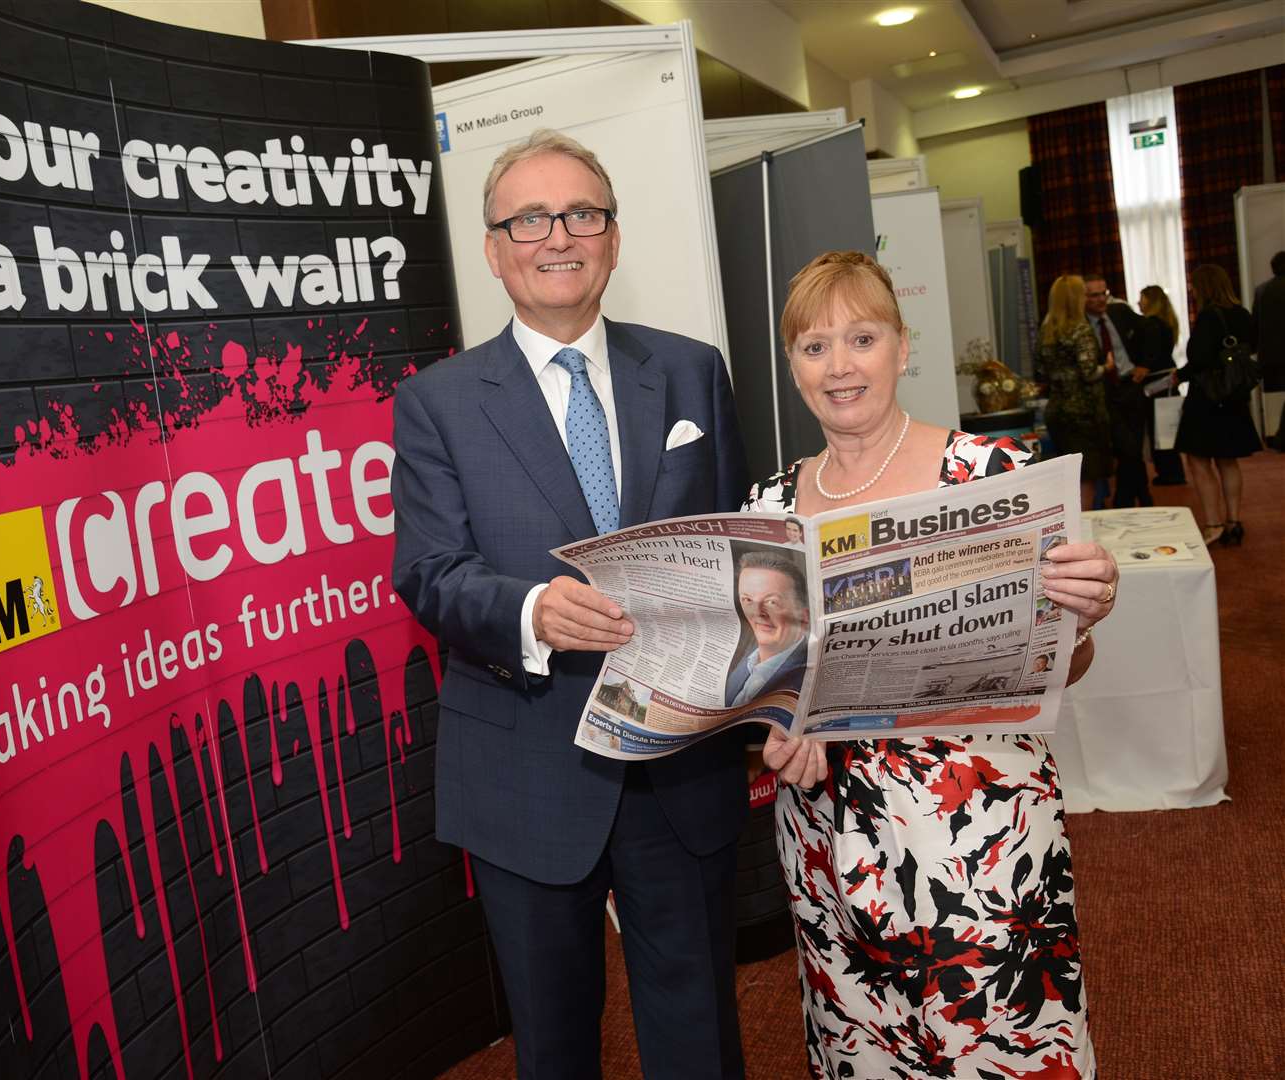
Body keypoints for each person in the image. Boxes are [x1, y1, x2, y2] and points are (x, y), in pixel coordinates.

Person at [391, 129, 752, 1079]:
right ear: (495, 248)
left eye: (582, 213)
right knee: (552, 1044)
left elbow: (742, 556)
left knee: (700, 1030)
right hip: (525, 767)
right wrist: (530, 614)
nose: (559, 236)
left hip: (678, 760)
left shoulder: (690, 371)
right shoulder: (438, 402)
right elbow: (428, 571)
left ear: (614, 237)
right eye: (530, 218)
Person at [746, 251, 1119, 1079]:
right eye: (814, 347)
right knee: (864, 1055)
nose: (839, 366)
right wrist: (774, 731)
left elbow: (1068, 665)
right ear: (792, 366)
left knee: (1000, 1047)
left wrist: (1082, 615)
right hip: (828, 839)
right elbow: (764, 683)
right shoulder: (766, 511)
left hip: (980, 839)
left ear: (903, 347)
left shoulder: (993, 476)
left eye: (862, 338)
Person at [1175, 264, 1259, 545]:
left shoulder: (1209, 317)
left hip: (1207, 400)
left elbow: (1199, 358)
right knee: (1228, 461)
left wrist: (1178, 376)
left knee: (1199, 461)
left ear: (1204, 287)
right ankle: (1234, 521)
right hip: (1234, 398)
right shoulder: (1243, 314)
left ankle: (1214, 524)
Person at [1036, 274, 1112, 509]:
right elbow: (1089, 372)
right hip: (1083, 413)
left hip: (1057, 412)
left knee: (1069, 477)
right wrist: (1107, 366)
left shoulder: (1046, 332)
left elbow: (1041, 372)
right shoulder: (1080, 330)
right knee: (1086, 478)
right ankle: (1082, 529)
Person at [1084, 273, 1154, 507]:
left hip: (1130, 387)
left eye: (1103, 294)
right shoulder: (1080, 326)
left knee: (1133, 447)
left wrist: (1145, 363)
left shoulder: (1120, 312)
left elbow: (1153, 330)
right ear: (1082, 297)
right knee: (1127, 449)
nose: (1100, 299)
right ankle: (1138, 497)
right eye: (1093, 295)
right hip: (1104, 393)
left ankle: (1132, 499)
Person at [725, 549, 809, 707]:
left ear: (803, 616)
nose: (757, 613)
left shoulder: (808, 679)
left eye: (772, 602)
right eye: (748, 599)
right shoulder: (747, 661)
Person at [1137, 284, 1186, 484]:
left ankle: (1169, 472)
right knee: (1167, 429)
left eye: (1142, 298)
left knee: (1160, 429)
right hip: (1167, 380)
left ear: (1150, 300)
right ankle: (1172, 470)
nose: (1139, 302)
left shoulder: (1151, 325)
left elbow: (1150, 355)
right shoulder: (1166, 323)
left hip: (1155, 382)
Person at [1253, 250, 1285, 450]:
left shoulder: (1261, 290)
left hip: (1271, 356)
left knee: (1274, 399)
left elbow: (1255, 325)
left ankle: (1277, 437)